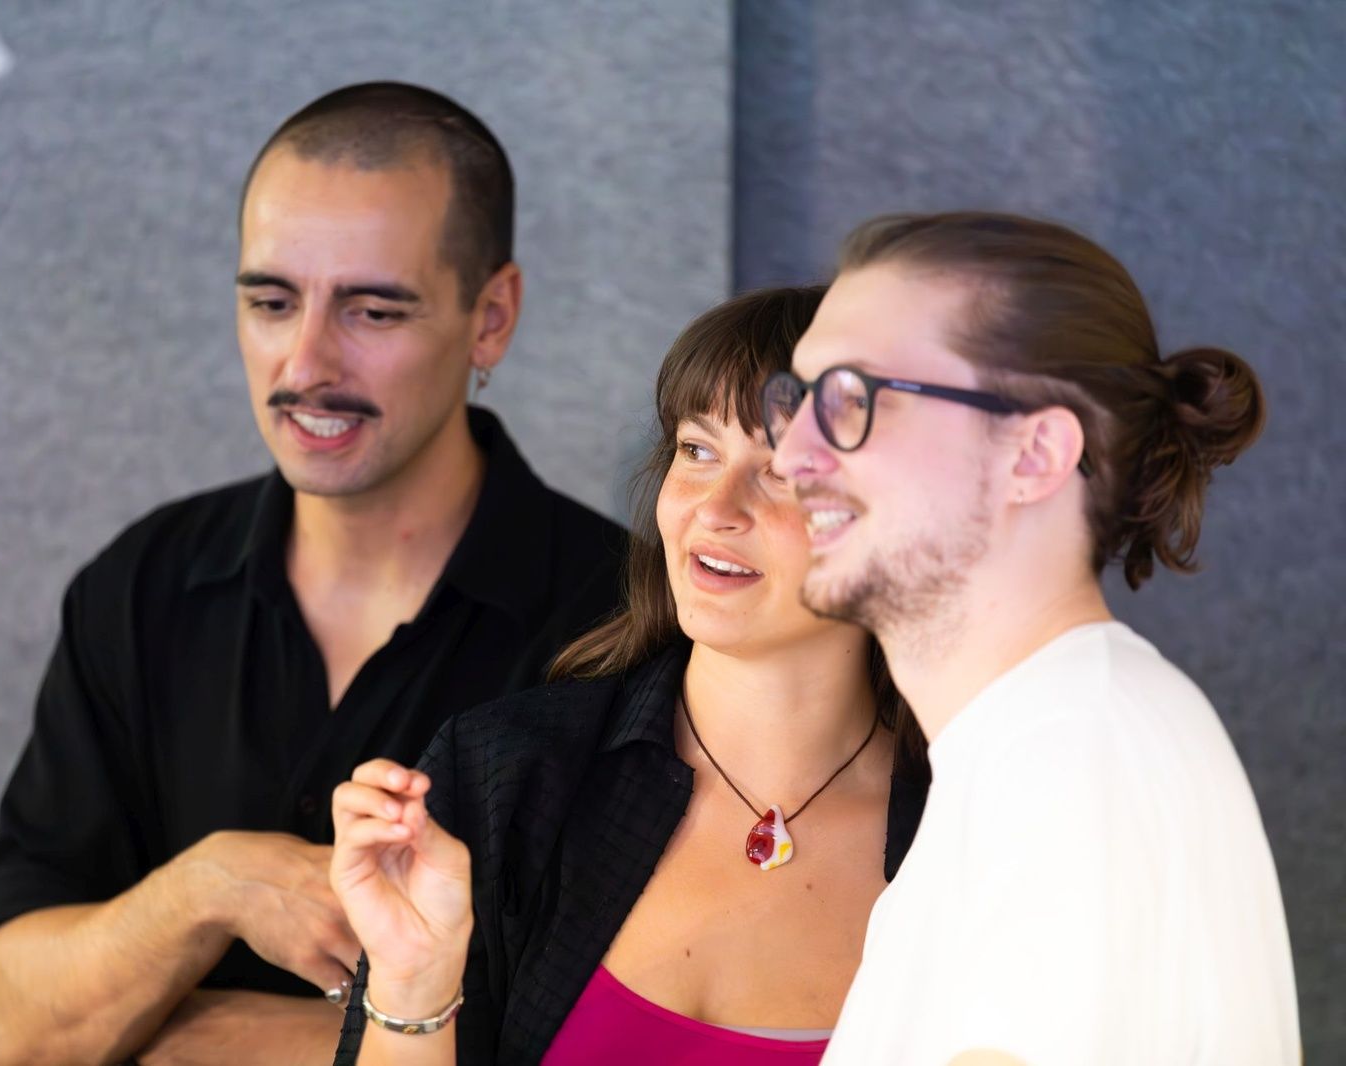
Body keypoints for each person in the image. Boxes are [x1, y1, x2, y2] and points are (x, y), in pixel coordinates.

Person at [0, 82, 625, 1066]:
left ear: (490, 317)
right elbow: (12, 1027)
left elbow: (622, 1043)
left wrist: (178, 1034)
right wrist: (211, 887)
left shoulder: (626, 625)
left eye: (373, 310)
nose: (305, 363)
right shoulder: (142, 586)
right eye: (271, 302)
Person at [327, 285, 931, 1065]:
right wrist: (414, 986)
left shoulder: (973, 827)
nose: (716, 507)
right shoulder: (502, 775)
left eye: (784, 470)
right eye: (698, 450)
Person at [763, 212, 1300, 1064]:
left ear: (1035, 454)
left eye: (852, 398)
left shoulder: (1073, 752)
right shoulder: (1043, 743)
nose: (790, 456)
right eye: (796, 401)